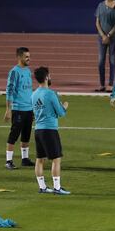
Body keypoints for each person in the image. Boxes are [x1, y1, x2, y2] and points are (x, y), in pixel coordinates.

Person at [31, 67, 70, 195]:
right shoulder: (50, 94)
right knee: (56, 159)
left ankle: (42, 187)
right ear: (47, 77)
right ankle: (57, 187)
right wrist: (64, 106)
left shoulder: (34, 94)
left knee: (39, 159)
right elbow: (60, 113)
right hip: (49, 130)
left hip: (38, 130)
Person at [4, 47, 35, 169]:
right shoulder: (14, 72)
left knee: (26, 135)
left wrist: (33, 107)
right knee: (14, 135)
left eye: (29, 56)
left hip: (28, 108)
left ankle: (25, 158)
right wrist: (8, 109)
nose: (29, 58)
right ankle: (9, 161)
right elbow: (9, 90)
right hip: (18, 109)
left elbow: (29, 90)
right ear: (19, 57)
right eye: (26, 57)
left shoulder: (28, 71)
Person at [95, 0, 115, 92]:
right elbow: (97, 22)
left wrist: (109, 35)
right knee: (101, 61)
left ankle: (111, 84)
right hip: (101, 37)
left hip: (113, 37)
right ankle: (102, 84)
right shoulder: (100, 5)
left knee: (112, 60)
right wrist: (103, 35)